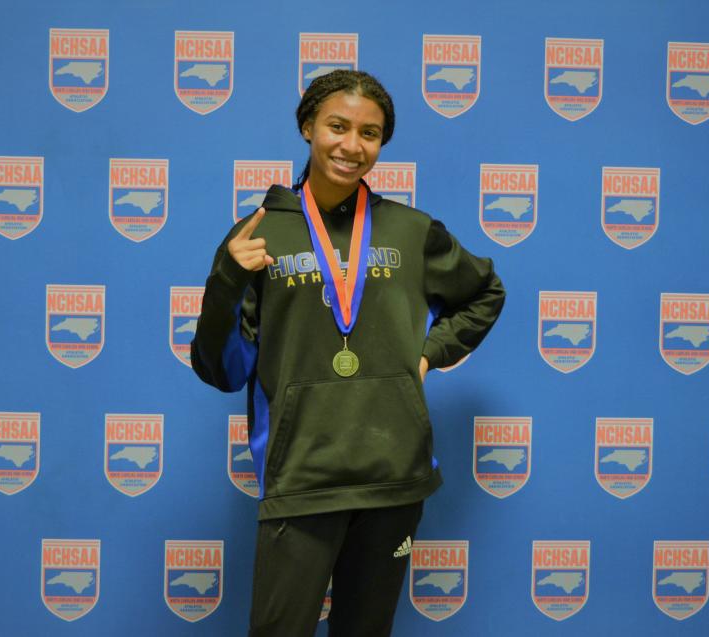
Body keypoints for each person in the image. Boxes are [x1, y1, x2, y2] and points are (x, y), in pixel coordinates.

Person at [191, 70, 505, 637]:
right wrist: (227, 278)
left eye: (370, 133)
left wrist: (429, 354)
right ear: (308, 126)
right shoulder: (259, 235)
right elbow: (223, 368)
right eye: (338, 126)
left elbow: (486, 291)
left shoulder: (410, 230)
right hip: (303, 474)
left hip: (393, 473)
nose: (352, 145)